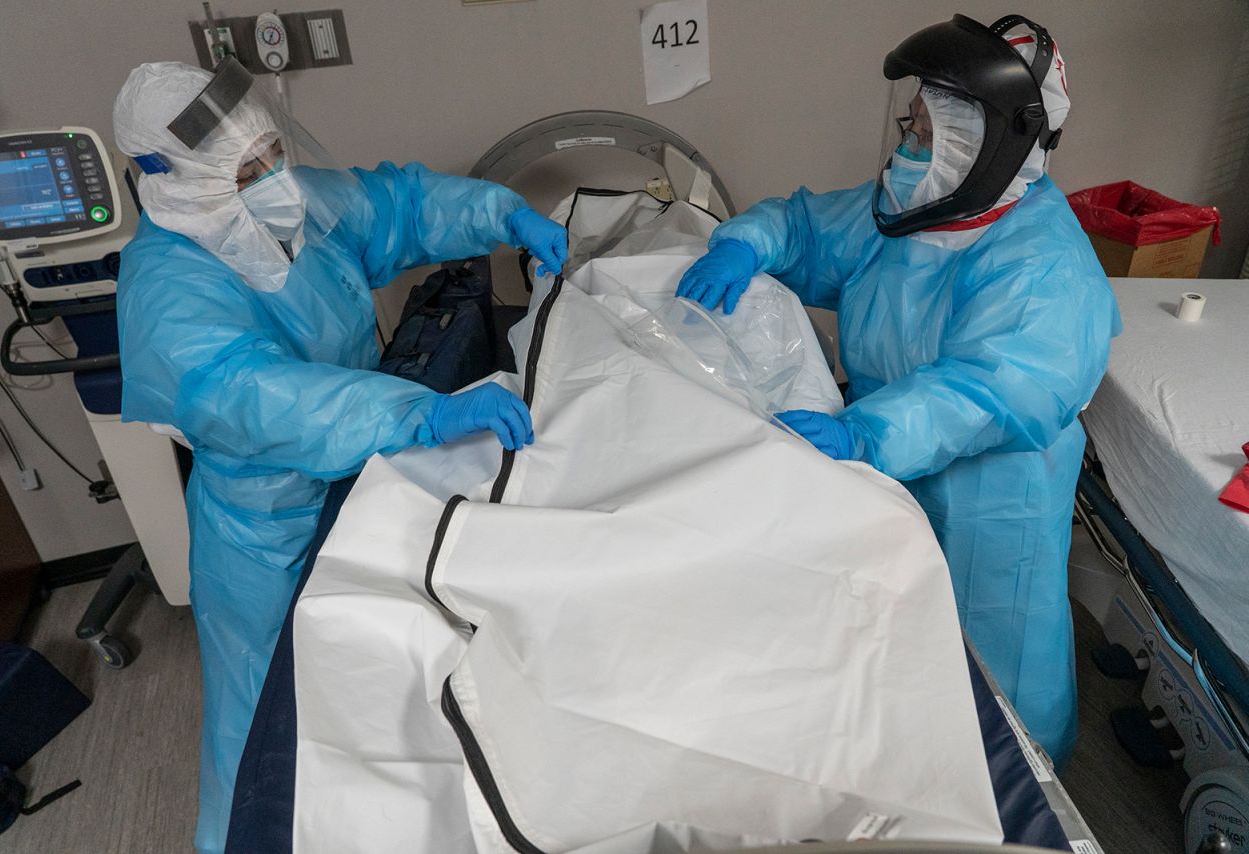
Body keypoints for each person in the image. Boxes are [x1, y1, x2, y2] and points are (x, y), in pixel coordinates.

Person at [111, 59, 566, 852]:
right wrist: (420, 413)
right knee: (264, 728)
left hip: (359, 470)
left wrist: (503, 214)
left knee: (371, 689)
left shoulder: (283, 203)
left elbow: (395, 208)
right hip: (265, 529)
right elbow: (260, 396)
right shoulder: (167, 291)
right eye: (248, 170)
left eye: (271, 155)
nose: (274, 178)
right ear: (174, 182)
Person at [676, 14, 1120, 769]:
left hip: (992, 501)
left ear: (984, 148)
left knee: (994, 680)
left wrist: (863, 435)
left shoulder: (1048, 269)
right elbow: (810, 231)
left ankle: (1029, 801)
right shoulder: (918, 210)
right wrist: (744, 243)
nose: (906, 147)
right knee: (904, 660)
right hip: (895, 467)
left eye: (923, 133)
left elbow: (986, 394)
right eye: (910, 126)